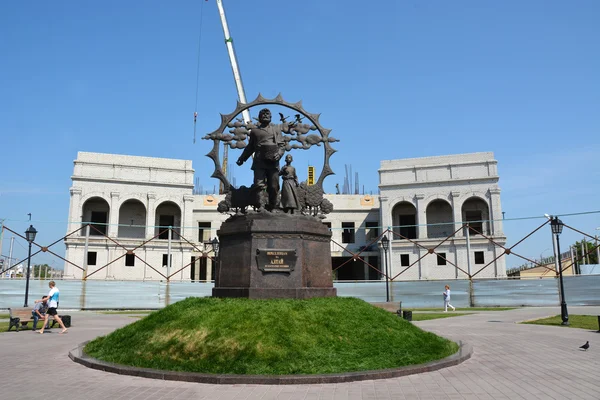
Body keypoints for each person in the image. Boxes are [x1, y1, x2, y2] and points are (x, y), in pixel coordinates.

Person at [236, 108, 291, 211]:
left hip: (273, 162)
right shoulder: (254, 131)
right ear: (259, 117)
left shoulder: (276, 129)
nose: (265, 116)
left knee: (274, 186)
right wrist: (242, 158)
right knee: (258, 184)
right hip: (259, 161)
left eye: (267, 114)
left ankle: (273, 206)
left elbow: (282, 145)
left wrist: (279, 154)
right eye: (263, 114)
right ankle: (260, 206)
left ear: (271, 117)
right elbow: (250, 147)